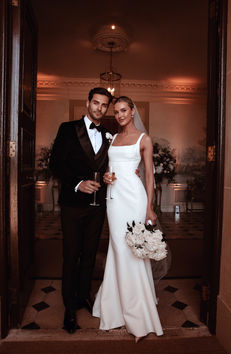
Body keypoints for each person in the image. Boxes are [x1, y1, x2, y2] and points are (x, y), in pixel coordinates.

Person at [92, 96, 164, 342]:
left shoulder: (144, 140)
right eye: (117, 111)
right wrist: (106, 177)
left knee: (133, 250)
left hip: (134, 198)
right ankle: (115, 303)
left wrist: (150, 208)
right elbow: (108, 169)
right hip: (114, 199)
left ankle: (136, 310)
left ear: (132, 111)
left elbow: (149, 176)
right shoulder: (112, 139)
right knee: (117, 248)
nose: (120, 114)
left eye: (124, 110)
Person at [49, 87, 113, 333]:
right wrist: (77, 183)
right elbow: (55, 163)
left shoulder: (109, 135)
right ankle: (69, 307)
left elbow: (110, 166)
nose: (99, 108)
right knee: (71, 255)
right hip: (72, 205)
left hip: (98, 206)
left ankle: (84, 296)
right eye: (95, 103)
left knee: (89, 255)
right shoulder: (68, 129)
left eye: (104, 105)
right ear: (88, 103)